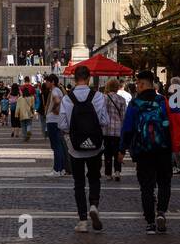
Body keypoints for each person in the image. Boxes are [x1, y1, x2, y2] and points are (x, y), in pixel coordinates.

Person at [120, 68, 173, 233]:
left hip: (143, 152)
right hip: (163, 149)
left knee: (147, 187)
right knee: (164, 183)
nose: (136, 86)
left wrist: (122, 149)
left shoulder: (135, 104)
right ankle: (162, 212)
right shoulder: (162, 101)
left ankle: (150, 222)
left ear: (143, 84)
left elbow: (127, 128)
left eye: (137, 83)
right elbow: (170, 123)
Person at [58, 64, 109, 232]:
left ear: (74, 79)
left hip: (75, 147)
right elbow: (104, 121)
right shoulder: (99, 96)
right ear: (88, 78)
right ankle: (93, 204)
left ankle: (82, 221)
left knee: (78, 183)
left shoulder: (67, 98)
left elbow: (63, 124)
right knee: (94, 178)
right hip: (94, 146)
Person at [102, 77, 127, 180]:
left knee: (107, 152)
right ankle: (117, 172)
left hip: (106, 130)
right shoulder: (122, 100)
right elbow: (124, 116)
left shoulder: (104, 98)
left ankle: (108, 174)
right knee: (117, 152)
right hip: (118, 130)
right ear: (117, 87)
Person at [42, 73, 67, 175]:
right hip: (57, 120)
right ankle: (61, 168)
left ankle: (57, 169)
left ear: (52, 82)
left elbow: (57, 101)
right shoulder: (58, 90)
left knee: (55, 146)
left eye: (47, 81)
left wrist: (51, 110)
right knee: (59, 145)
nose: (46, 83)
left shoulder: (54, 91)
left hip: (52, 120)